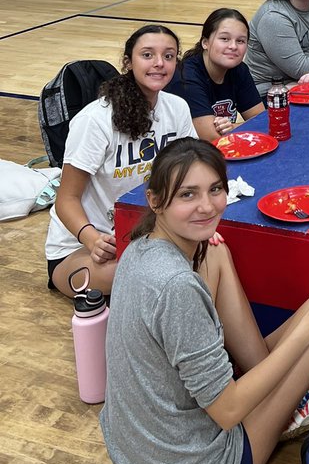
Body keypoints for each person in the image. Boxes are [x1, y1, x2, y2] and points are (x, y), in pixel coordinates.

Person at [99, 139, 309, 464]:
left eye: (214, 189)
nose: (207, 206)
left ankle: (265, 375)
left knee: (216, 251)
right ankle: (290, 395)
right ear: (155, 201)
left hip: (135, 454)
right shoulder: (177, 287)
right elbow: (228, 411)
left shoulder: (138, 247)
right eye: (187, 195)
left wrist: (198, 232)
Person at [44, 25, 195, 298]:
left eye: (169, 56)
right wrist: (92, 240)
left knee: (210, 255)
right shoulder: (96, 120)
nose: (159, 63)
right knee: (157, 271)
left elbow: (189, 174)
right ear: (128, 62)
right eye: (147, 55)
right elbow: (65, 200)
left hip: (148, 235)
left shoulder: (177, 108)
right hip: (84, 251)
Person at [167, 9, 264, 141]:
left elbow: (262, 120)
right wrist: (241, 128)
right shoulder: (186, 77)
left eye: (240, 41)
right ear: (205, 42)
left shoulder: (239, 70)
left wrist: (232, 127)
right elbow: (211, 137)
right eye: (224, 39)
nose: (233, 46)